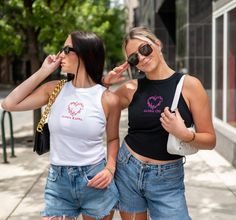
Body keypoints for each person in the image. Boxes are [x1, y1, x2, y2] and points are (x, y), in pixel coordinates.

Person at [2, 30, 121, 220]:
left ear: (85, 54)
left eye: (67, 49)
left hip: (95, 178)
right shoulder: (54, 89)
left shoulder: (108, 99)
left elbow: (113, 138)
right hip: (58, 181)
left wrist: (110, 168)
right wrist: (44, 71)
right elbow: (9, 103)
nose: (60, 54)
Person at [103, 26, 216, 220]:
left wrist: (184, 134)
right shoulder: (131, 87)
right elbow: (97, 108)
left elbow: (210, 140)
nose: (142, 57)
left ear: (158, 44)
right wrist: (105, 83)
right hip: (128, 169)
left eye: (144, 49)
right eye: (133, 57)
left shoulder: (190, 85)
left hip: (167, 179)